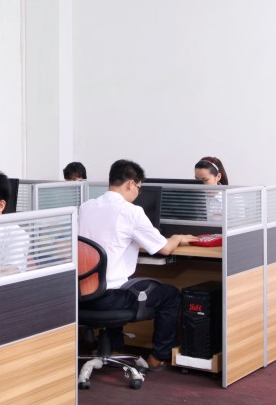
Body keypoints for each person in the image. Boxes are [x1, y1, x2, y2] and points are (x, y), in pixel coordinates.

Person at [78, 159, 198, 371]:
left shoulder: (86, 207)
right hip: (110, 299)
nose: (138, 194)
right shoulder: (130, 212)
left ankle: (115, 347)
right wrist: (177, 237)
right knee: (170, 295)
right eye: (139, 188)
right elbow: (165, 249)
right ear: (131, 184)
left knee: (121, 280)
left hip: (81, 296)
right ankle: (158, 357)